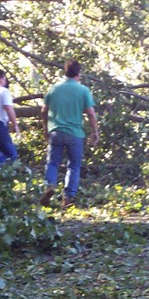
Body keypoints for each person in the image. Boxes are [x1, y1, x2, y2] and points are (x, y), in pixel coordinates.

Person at [39, 59, 100, 208]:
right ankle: (67, 198)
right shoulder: (83, 90)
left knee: (52, 163)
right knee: (73, 166)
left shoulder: (54, 88)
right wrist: (95, 131)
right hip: (75, 133)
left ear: (65, 72)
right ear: (79, 73)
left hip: (55, 131)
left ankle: (50, 186)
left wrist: (45, 129)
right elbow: (91, 114)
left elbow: (44, 111)